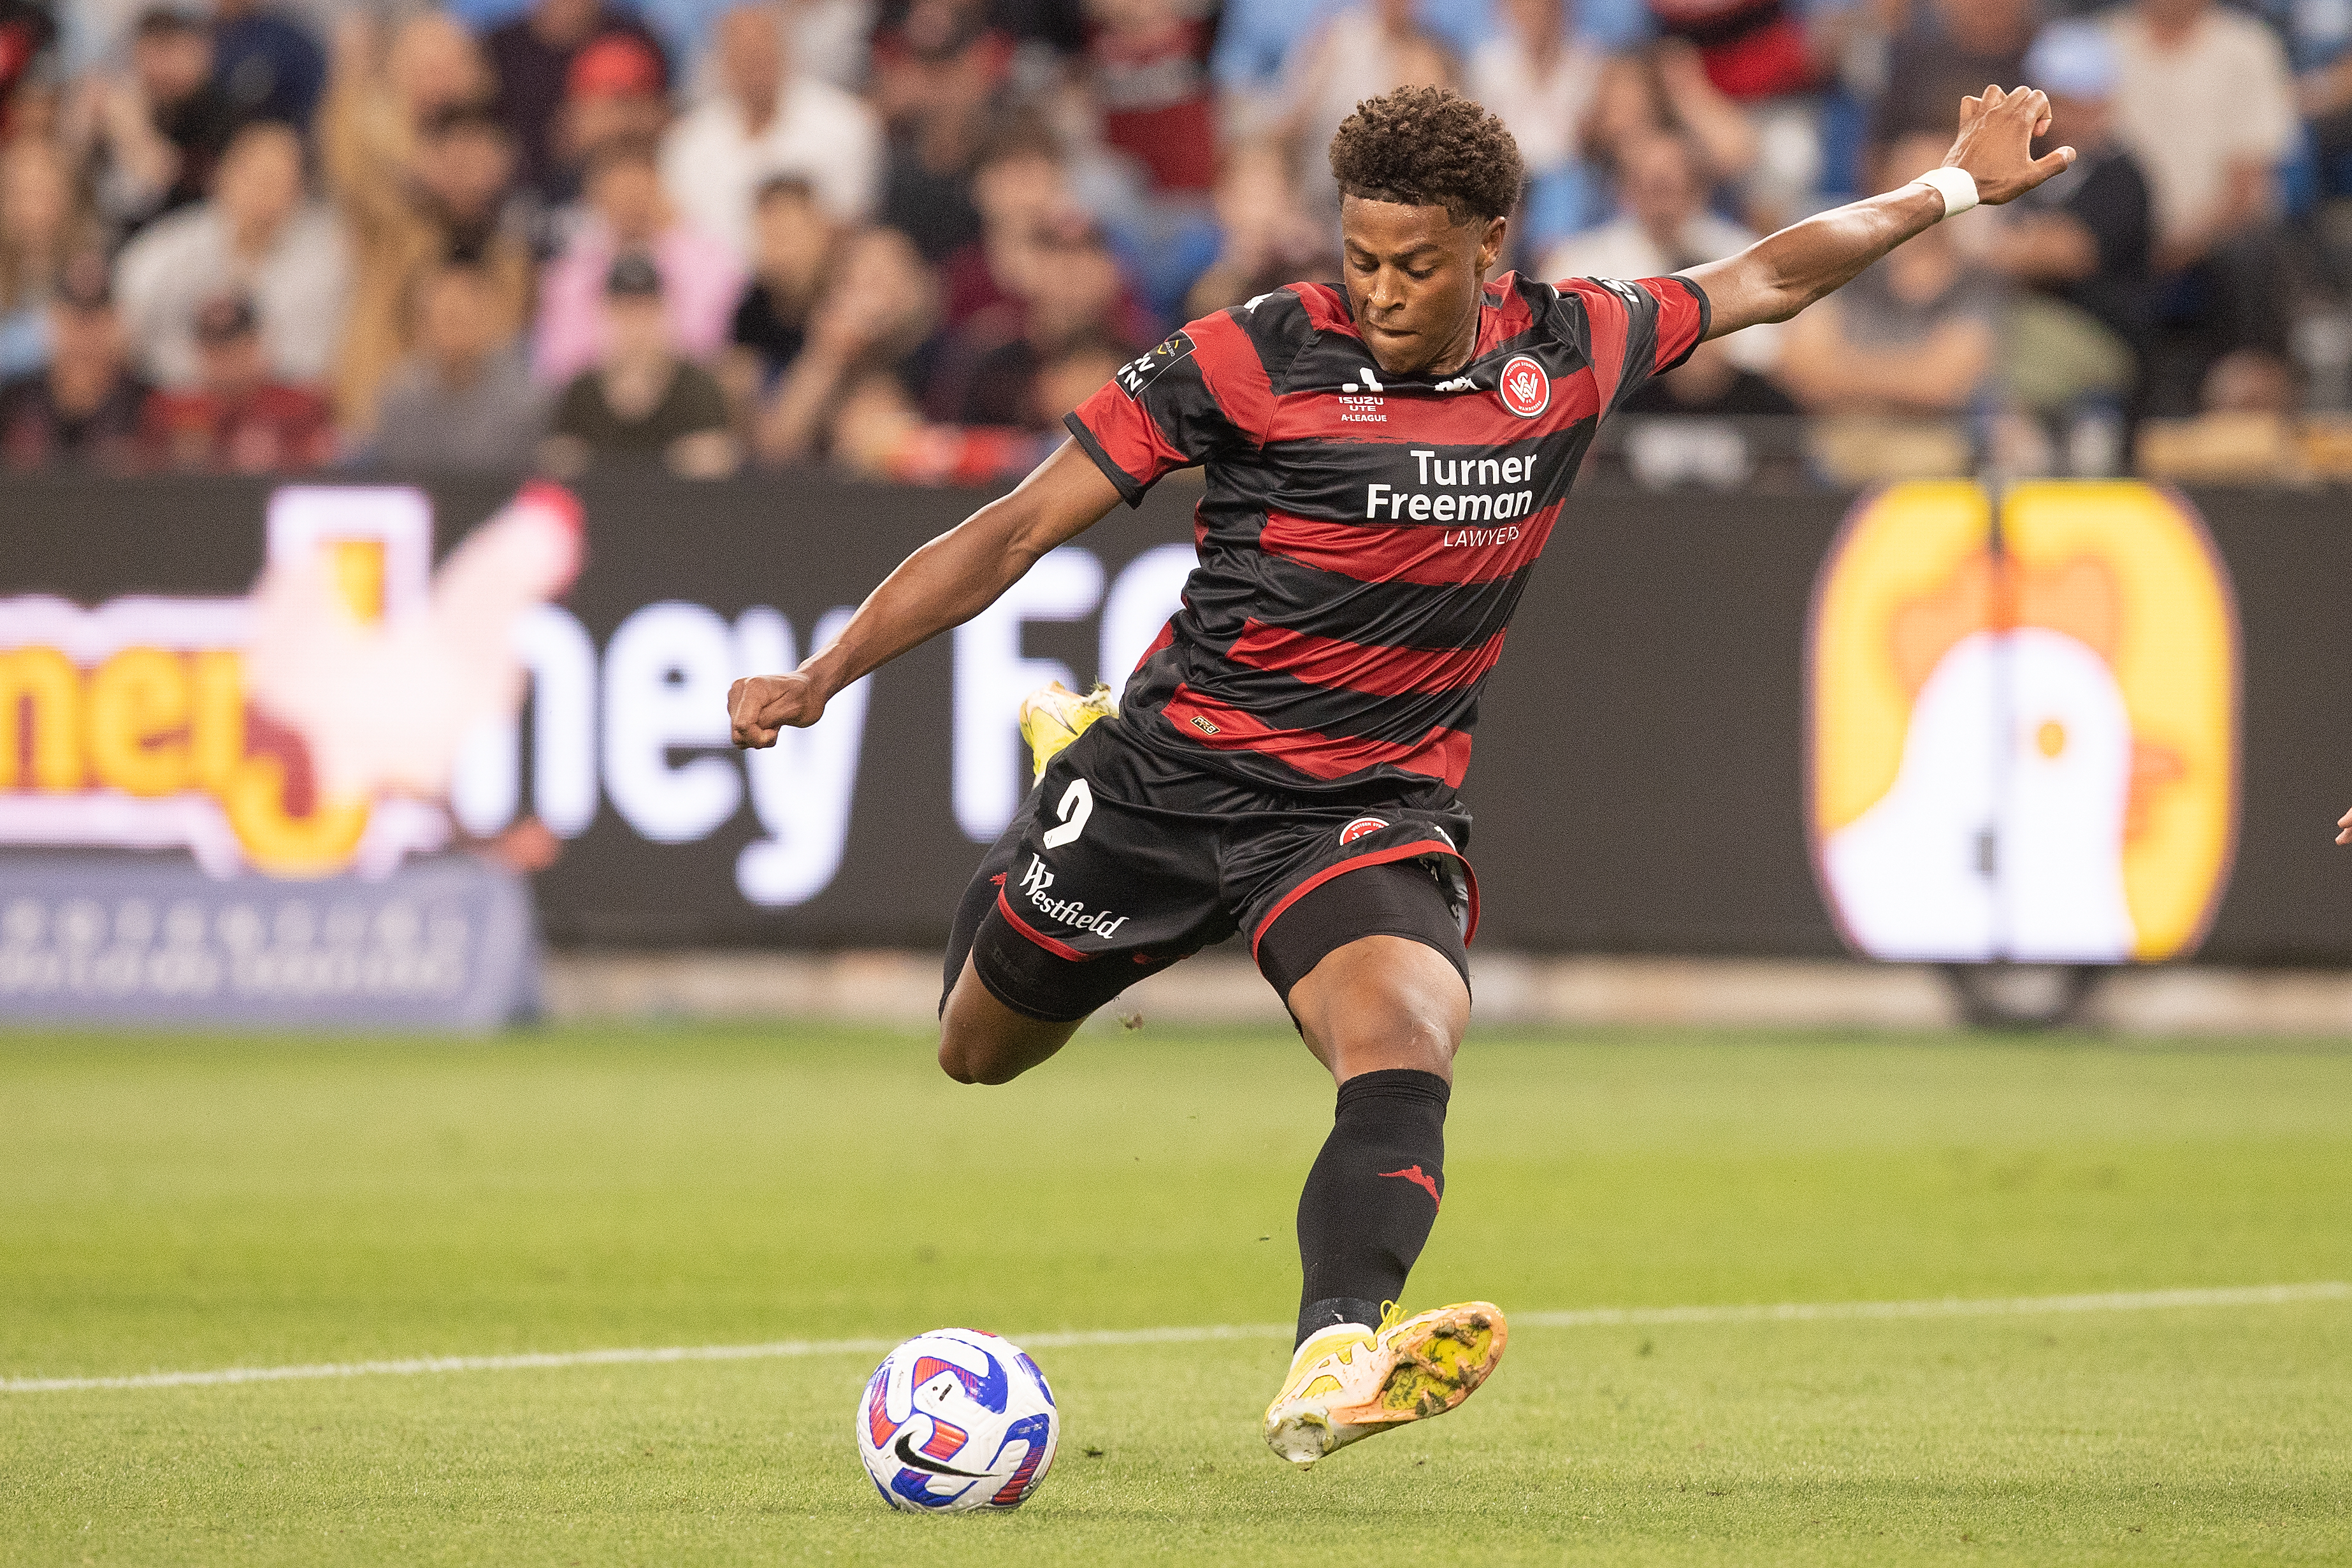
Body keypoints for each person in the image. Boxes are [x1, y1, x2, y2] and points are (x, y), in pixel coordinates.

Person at [728, 80, 2075, 1466]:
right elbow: (1014, 531)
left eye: (1416, 264)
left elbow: (1770, 276)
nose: (1379, 289)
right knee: (975, 1051)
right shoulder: (1248, 356)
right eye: (1361, 256)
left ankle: (1335, 1350)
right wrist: (826, 674)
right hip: (1167, 778)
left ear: (1492, 245)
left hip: (1359, 809)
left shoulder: (1571, 345)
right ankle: (1059, 790)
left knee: (1407, 1031)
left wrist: (1952, 191)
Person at [1977, 21, 2152, 423]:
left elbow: (2066, 254)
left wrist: (1988, 245)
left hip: (2098, 332)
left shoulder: (2119, 172)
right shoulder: (2031, 162)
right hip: (2022, 314)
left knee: (2001, 363)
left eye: (2079, 100)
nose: (2067, 114)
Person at [114, 117, 350, 391]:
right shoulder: (166, 253)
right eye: (254, 175)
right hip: (184, 399)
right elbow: (125, 335)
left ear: (299, 191)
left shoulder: (327, 260)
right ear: (223, 176)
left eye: (278, 179)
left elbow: (322, 357)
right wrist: (207, 368)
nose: (263, 191)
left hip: (282, 405)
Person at [1777, 131, 2002, 415]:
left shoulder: (1978, 283)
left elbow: (1942, 386)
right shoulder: (1841, 264)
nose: (1925, 200)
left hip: (1937, 447)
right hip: (1833, 439)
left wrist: (1840, 370)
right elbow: (1801, 369)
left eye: (1941, 187)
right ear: (1882, 184)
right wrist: (1910, 375)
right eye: (1911, 183)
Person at [660, 1, 878, 263]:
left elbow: (849, 225)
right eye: (742, 54)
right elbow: (677, 235)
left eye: (762, 52)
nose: (754, 64)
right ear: (721, 62)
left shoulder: (845, 125)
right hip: (714, 289)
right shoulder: (687, 143)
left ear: (787, 52)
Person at [534, 138, 742, 386]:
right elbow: (557, 362)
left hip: (686, 397)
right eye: (619, 187)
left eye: (639, 185)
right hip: (595, 403)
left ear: (658, 188)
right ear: (595, 195)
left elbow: (709, 343)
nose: (630, 198)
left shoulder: (708, 259)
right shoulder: (570, 272)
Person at [542, 250, 739, 477]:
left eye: (647, 309)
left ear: (666, 311)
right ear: (606, 313)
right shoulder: (582, 392)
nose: (636, 323)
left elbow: (718, 467)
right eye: (625, 310)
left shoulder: (698, 388)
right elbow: (556, 466)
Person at [370, 259, 545, 472]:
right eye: (438, 319)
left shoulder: (524, 401)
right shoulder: (402, 397)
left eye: (457, 319)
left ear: (485, 320)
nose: (448, 332)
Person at [486, 0, 669, 201]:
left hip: (621, 182)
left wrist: (620, 119)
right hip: (525, 191)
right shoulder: (500, 47)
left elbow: (666, 117)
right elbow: (484, 131)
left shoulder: (634, 39)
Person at [140, 288, 335, 470]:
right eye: (215, 349)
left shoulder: (299, 405)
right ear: (198, 352)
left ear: (259, 345)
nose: (227, 359)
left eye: (237, 347)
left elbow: (321, 469)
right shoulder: (168, 409)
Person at [0, 253, 150, 471]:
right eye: (75, 319)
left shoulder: (146, 406)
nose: (85, 336)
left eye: (96, 319)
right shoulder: (15, 402)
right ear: (53, 320)